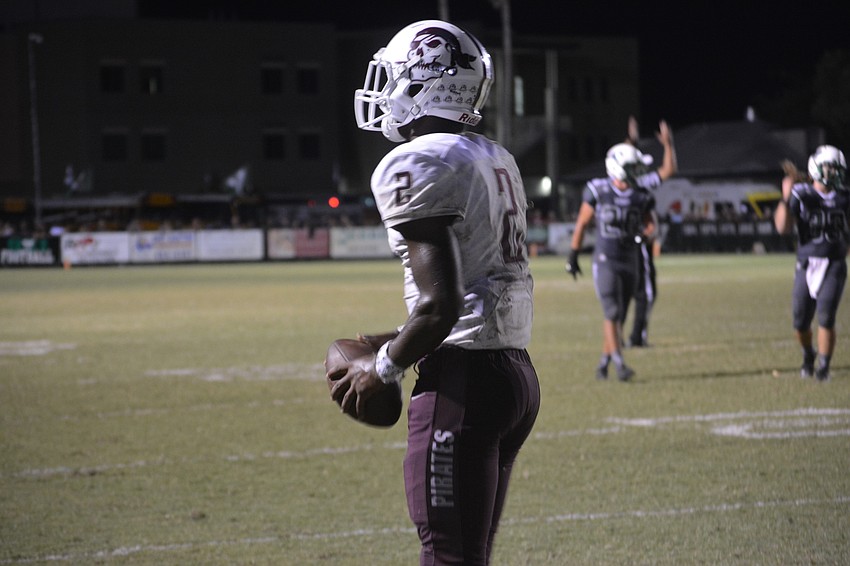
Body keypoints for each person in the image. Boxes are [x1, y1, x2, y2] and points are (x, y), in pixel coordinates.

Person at [332, 20, 540, 565]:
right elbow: (474, 289)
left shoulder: (418, 159)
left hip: (463, 385)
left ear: (423, 80)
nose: (385, 88)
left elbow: (440, 306)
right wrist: (389, 340)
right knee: (469, 556)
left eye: (396, 73)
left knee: (448, 557)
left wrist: (382, 367)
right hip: (514, 376)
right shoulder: (493, 156)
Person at [566, 129, 669, 381]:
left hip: (630, 259)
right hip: (606, 259)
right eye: (633, 167)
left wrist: (645, 235)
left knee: (619, 316)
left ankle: (603, 362)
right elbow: (581, 223)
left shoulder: (640, 194)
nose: (638, 172)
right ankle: (620, 364)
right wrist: (573, 255)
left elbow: (651, 225)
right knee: (611, 312)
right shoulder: (598, 190)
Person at [774, 145, 850, 381]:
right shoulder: (801, 193)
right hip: (807, 262)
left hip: (835, 263)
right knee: (800, 320)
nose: (833, 174)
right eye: (829, 168)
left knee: (826, 316)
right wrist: (786, 198)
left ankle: (824, 368)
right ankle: (809, 354)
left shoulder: (845, 197)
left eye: (836, 169)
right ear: (816, 168)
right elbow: (782, 228)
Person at [623, 117, 678, 347]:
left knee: (628, 294)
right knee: (645, 291)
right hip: (636, 244)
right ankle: (636, 337)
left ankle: (627, 338)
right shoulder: (637, 184)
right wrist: (668, 144)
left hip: (620, 245)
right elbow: (669, 170)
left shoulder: (618, 183)